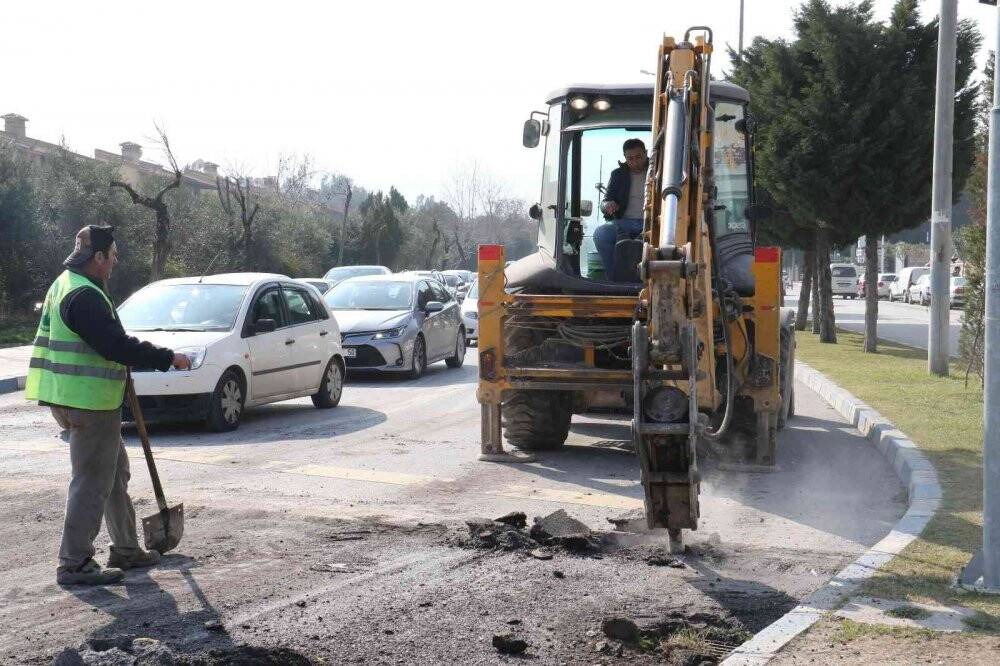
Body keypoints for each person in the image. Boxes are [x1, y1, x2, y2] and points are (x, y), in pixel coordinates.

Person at [24, 225, 191, 586]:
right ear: (97, 257)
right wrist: (167, 358)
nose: (115, 262)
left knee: (114, 473)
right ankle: (74, 563)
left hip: (74, 397)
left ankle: (126, 548)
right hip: (88, 402)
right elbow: (114, 346)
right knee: (91, 482)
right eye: (113, 255)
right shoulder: (84, 295)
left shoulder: (66, 284)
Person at [594, 138, 649, 279]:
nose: (635, 162)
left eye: (638, 157)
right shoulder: (617, 175)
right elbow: (604, 202)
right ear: (625, 158)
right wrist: (608, 205)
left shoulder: (658, 172)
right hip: (623, 223)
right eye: (630, 159)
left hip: (651, 223)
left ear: (646, 153)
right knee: (601, 234)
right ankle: (614, 280)